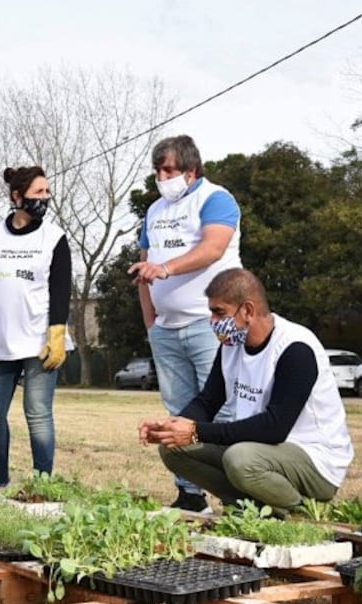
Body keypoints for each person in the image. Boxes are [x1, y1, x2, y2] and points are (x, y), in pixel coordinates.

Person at [138, 268, 355, 513]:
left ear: (248, 311)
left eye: (219, 312)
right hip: (260, 451)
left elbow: (275, 427)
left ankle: (299, 511)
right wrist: (172, 427)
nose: (213, 321)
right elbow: (208, 401)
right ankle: (249, 506)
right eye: (211, 312)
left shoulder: (295, 349)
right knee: (172, 449)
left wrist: (196, 432)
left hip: (315, 461)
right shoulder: (232, 345)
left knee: (239, 459)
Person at [128, 134, 242, 513]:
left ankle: (236, 495)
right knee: (177, 413)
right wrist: (151, 321)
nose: (162, 177)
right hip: (167, 329)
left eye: (169, 170)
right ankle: (190, 496)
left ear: (191, 171)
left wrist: (166, 268)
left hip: (209, 325)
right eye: (157, 170)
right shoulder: (155, 211)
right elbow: (145, 264)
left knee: (223, 410)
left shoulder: (216, 199)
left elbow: (213, 248)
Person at [0, 166, 72, 493]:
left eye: (47, 192)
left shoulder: (53, 237)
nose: (46, 199)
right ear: (16, 196)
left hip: (40, 343)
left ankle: (43, 485)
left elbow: (61, 288)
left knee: (37, 415)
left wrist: (57, 333)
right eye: (39, 193)